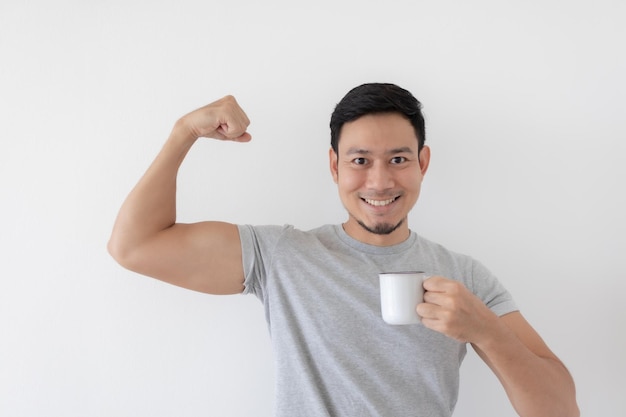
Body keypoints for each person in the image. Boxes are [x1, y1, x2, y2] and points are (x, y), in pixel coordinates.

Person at [108, 83, 579, 417]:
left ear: (423, 164)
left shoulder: (465, 278)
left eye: (398, 159)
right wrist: (183, 132)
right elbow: (135, 246)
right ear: (334, 166)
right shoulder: (281, 256)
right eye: (360, 161)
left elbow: (560, 410)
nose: (379, 181)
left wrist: (487, 331)